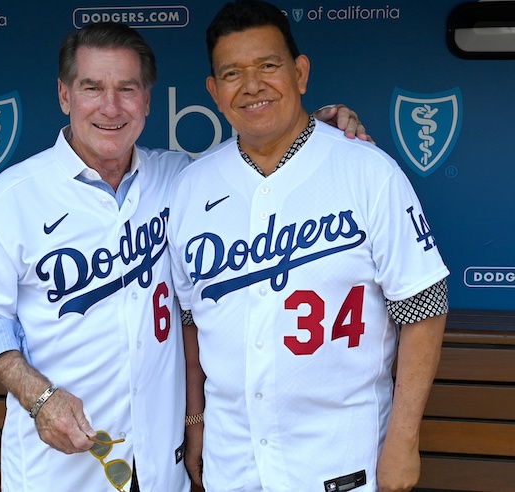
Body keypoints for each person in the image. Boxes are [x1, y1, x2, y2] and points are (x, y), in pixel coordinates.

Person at [0, 21, 369, 492]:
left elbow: (262, 160)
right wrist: (39, 397)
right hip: (60, 469)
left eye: (128, 89)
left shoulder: (182, 180)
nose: (111, 107)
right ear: (65, 96)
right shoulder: (12, 198)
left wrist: (319, 129)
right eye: (92, 88)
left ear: (147, 101)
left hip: (162, 465)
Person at [167, 2, 450, 492]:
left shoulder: (367, 171)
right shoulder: (191, 186)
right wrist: (196, 420)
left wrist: (404, 441)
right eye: (232, 73)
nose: (251, 85)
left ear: (300, 73)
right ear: (214, 92)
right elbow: (192, 320)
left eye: (268, 66)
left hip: (342, 457)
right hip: (232, 461)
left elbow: (423, 307)